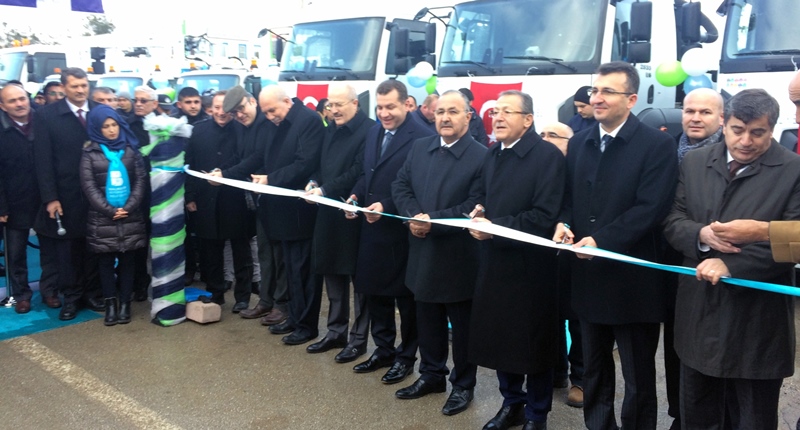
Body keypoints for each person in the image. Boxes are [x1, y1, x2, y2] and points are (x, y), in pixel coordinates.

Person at [662, 88, 800, 430]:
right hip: (699, 313)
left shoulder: (793, 170)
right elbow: (673, 219)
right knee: (698, 412)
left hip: (756, 322)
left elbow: (794, 242)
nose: (746, 141)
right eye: (738, 130)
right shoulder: (695, 162)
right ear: (724, 124)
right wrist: (701, 237)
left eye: (758, 133)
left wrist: (732, 265)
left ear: (772, 129)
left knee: (752, 417)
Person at [552, 62, 678, 430]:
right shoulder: (580, 141)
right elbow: (569, 197)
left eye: (608, 91)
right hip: (588, 276)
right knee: (594, 367)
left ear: (632, 99)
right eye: (595, 91)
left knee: (638, 376)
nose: (598, 98)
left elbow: (651, 207)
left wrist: (602, 240)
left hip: (632, 280)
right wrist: (564, 223)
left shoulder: (656, 145)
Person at [466, 91, 565, 430]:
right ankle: (512, 403)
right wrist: (478, 210)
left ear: (528, 119)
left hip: (531, 267)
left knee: (532, 344)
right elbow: (481, 193)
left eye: (508, 112)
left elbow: (544, 215)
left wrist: (494, 228)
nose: (499, 118)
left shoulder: (547, 157)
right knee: (499, 338)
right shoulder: (494, 153)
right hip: (494, 263)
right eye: (496, 112)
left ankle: (537, 413)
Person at [391, 90, 485, 415]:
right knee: (427, 319)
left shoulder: (482, 157)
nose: (445, 118)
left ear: (468, 116)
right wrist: (412, 215)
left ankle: (463, 384)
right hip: (422, 252)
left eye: (454, 112)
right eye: (441, 111)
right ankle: (432, 374)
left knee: (462, 328)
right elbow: (400, 186)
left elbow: (473, 204)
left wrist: (433, 223)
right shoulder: (421, 148)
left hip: (459, 257)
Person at [349, 79, 434, 385]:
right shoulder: (374, 131)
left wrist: (385, 204)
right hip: (371, 230)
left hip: (400, 232)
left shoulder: (422, 137)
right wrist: (357, 196)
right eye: (380, 107)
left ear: (407, 104)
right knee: (375, 294)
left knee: (405, 302)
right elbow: (366, 173)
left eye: (391, 107)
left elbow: (419, 186)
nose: (384, 113)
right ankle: (383, 348)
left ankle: (406, 356)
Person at [236, 85, 325, 346]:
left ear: (287, 101)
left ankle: (307, 325)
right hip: (280, 210)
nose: (269, 116)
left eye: (272, 110)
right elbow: (261, 156)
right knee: (291, 269)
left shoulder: (308, 121)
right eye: (265, 112)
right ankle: (295, 318)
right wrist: (232, 174)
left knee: (304, 271)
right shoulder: (276, 123)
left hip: (300, 210)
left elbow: (305, 163)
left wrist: (271, 179)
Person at [303, 83, 375, 361]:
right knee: (332, 273)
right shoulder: (330, 128)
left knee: (360, 281)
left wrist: (325, 190)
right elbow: (321, 163)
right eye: (330, 105)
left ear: (355, 104)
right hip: (327, 212)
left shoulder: (368, 130)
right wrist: (314, 182)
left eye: (339, 105)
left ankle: (358, 339)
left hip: (352, 211)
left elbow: (359, 169)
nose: (333, 111)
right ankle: (335, 332)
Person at [33, 67, 104, 321]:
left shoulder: (99, 112)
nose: (80, 90)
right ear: (64, 87)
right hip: (66, 194)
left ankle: (93, 293)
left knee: (95, 246)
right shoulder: (47, 115)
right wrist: (50, 197)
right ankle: (72, 297)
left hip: (98, 192)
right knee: (69, 250)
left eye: (84, 85)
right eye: (75, 86)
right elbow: (43, 160)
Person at [221, 86, 289, 327]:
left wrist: (226, 173)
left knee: (280, 255)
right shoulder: (242, 129)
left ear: (252, 102)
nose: (239, 115)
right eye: (235, 113)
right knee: (264, 252)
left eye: (241, 109)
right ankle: (265, 301)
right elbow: (240, 158)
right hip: (259, 199)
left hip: (277, 196)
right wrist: (221, 171)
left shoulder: (267, 124)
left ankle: (282, 304)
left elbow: (257, 158)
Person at [185, 90, 255, 310]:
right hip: (205, 200)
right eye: (216, 107)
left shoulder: (242, 130)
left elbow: (247, 160)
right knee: (210, 252)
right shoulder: (198, 131)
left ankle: (242, 297)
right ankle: (215, 294)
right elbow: (190, 163)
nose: (221, 112)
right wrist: (190, 196)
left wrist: (224, 174)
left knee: (241, 251)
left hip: (234, 199)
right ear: (210, 108)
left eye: (225, 108)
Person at [80, 105, 147, 326]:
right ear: (97, 129)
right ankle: (111, 304)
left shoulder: (130, 150)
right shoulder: (90, 153)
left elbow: (140, 181)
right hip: (102, 219)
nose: (111, 130)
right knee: (105, 263)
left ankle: (125, 304)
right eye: (105, 126)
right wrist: (110, 210)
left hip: (130, 215)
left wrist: (128, 206)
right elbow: (89, 187)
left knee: (129, 261)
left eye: (114, 125)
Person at [540, 121, 585, 410]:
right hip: (543, 255)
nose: (545, 139)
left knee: (577, 319)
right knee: (550, 314)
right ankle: (556, 370)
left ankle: (580, 378)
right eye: (541, 134)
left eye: (552, 135)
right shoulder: (539, 168)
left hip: (577, 253)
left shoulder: (579, 170)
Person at [0, 84, 43, 314]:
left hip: (45, 199)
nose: (19, 104)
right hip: (13, 204)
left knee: (51, 251)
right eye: (12, 101)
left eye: (22, 98)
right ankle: (21, 295)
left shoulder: (43, 122)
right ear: (2, 106)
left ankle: (51, 290)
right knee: (15, 255)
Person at [677, 87, 724, 163]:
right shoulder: (668, 150)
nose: (696, 119)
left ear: (722, 118)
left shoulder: (732, 153)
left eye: (705, 112)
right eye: (690, 111)